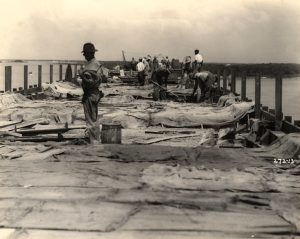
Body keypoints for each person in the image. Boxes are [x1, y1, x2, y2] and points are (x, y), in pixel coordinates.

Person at [77, 42, 104, 144]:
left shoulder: (91, 66)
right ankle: (95, 140)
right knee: (93, 118)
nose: (84, 55)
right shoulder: (96, 64)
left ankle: (94, 142)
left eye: (85, 53)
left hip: (90, 94)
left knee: (91, 120)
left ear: (88, 53)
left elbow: (90, 82)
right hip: (94, 93)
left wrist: (81, 76)